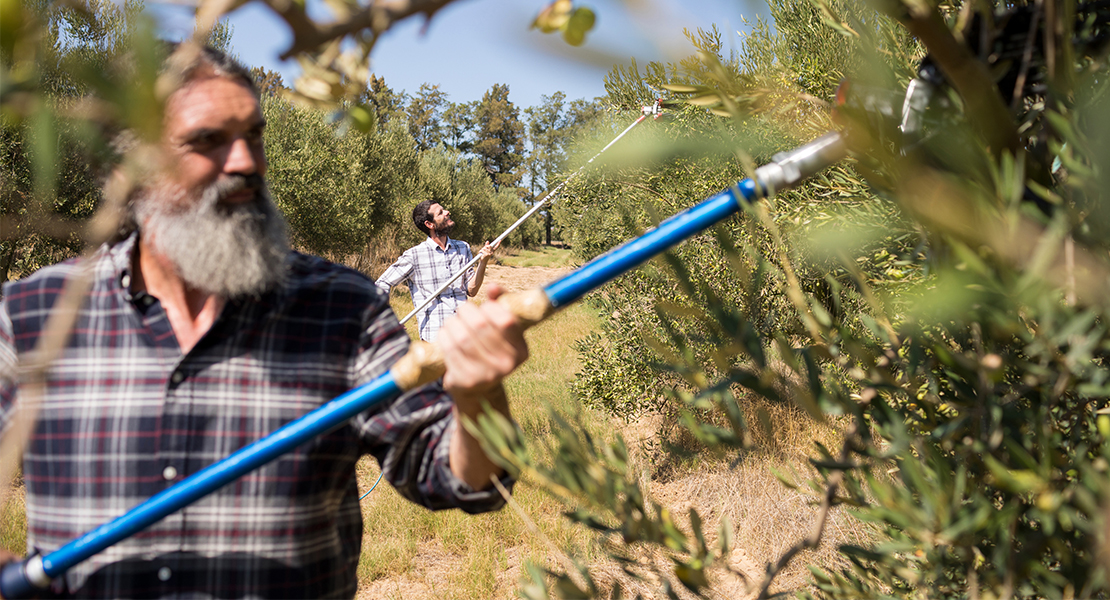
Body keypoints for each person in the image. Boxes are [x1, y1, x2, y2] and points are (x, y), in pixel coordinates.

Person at [0, 45, 527, 598]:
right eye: (208, 141)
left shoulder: (341, 312)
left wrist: (479, 397)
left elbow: (470, 482)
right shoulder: (30, 318)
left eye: (253, 136)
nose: (246, 162)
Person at [375, 200, 498, 342]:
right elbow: (381, 284)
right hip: (436, 339)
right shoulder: (414, 256)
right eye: (440, 212)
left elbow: (472, 290)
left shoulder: (463, 248)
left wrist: (483, 261)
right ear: (430, 224)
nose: (447, 212)